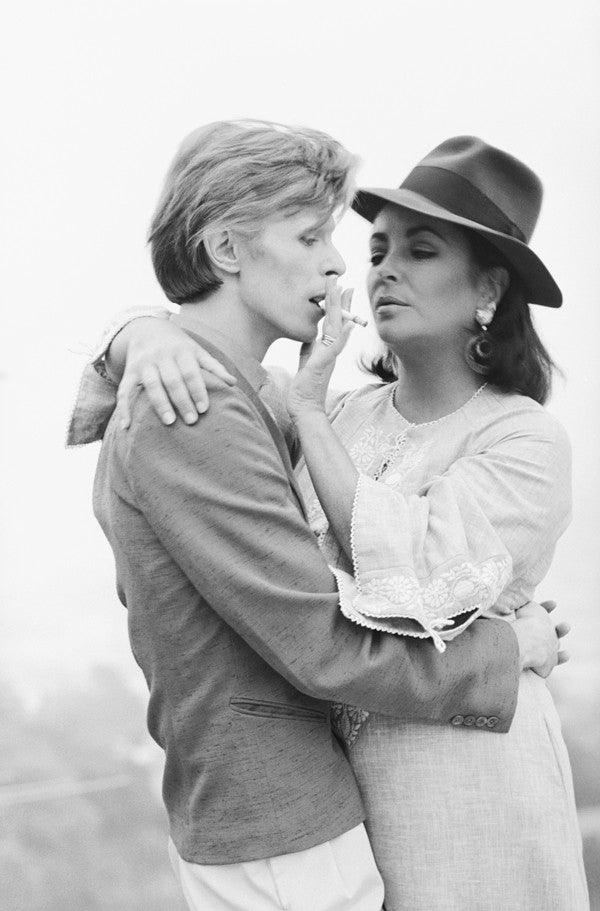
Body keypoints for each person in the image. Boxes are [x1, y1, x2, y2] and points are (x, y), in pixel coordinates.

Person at [69, 122, 567, 911]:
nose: (360, 269)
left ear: (489, 290)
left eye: (422, 251)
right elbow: (320, 638)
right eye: (364, 248)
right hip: (316, 802)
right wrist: (139, 334)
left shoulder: (517, 436)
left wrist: (152, 336)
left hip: (465, 775)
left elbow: (411, 577)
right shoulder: (295, 411)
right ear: (231, 251)